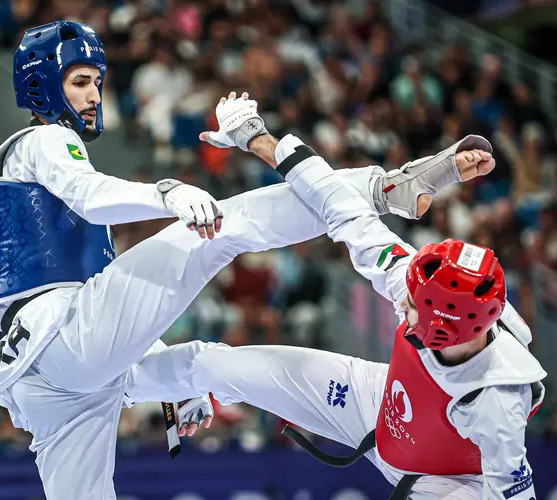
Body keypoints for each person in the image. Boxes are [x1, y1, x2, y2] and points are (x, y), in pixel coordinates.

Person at [0, 21, 474, 500]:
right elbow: (88, 194)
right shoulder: (43, 140)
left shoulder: (41, 193)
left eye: (98, 82)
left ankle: (380, 191)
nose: (94, 95)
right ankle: (379, 189)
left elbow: (113, 308)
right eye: (80, 81)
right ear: (43, 85)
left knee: (199, 365)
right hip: (63, 339)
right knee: (219, 228)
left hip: (48, 379)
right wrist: (164, 192)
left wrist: (175, 388)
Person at [125, 93, 547, 499]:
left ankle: (394, 185)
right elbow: (343, 209)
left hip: (447, 483)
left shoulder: (498, 402)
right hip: (377, 401)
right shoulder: (424, 285)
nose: (402, 302)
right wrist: (255, 136)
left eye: (414, 306)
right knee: (213, 364)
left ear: (446, 324)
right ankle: (111, 384)